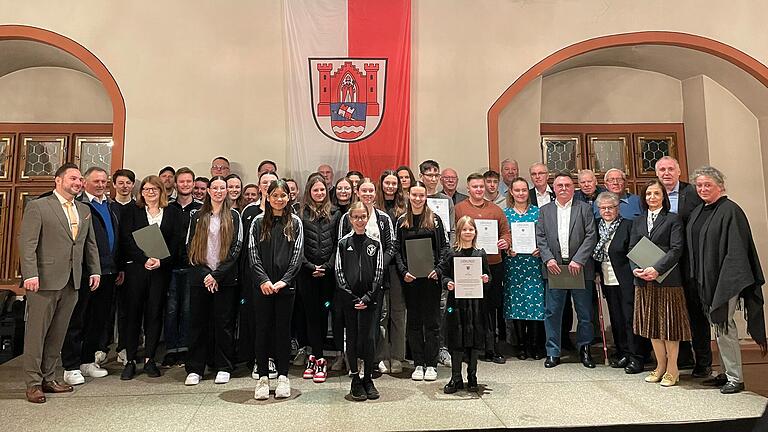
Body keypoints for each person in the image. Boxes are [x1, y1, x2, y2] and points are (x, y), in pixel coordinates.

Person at [19, 163, 100, 403]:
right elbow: (27, 243)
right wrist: (30, 274)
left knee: (58, 333)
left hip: (72, 280)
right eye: (73, 178)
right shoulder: (39, 207)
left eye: (79, 180)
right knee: (37, 333)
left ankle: (50, 377)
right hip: (43, 280)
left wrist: (94, 271)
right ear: (58, 180)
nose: (77, 183)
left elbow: (89, 244)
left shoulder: (84, 209)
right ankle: (33, 382)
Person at [687, 166, 766, 394]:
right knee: (718, 326)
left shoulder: (731, 210)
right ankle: (724, 373)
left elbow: (737, 251)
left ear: (720, 186)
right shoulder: (700, 210)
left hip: (726, 279)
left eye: (707, 185)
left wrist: (725, 280)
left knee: (724, 325)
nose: (702, 188)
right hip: (706, 280)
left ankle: (735, 378)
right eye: (699, 185)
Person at [119, 175, 183, 380]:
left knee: (155, 313)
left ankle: (150, 359)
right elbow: (126, 239)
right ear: (141, 192)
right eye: (146, 189)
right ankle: (130, 360)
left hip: (160, 270)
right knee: (133, 314)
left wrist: (161, 261)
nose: (150, 193)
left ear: (161, 191)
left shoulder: (172, 212)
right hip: (137, 269)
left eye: (154, 189)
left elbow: (177, 240)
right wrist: (143, 259)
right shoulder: (132, 211)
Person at [61, 167, 119, 385]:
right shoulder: (80, 206)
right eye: (96, 181)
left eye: (104, 181)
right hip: (85, 271)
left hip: (108, 271)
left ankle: (87, 360)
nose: (101, 184)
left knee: (99, 319)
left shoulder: (110, 205)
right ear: (85, 183)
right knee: (77, 318)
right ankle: (71, 365)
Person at [629, 179, 691, 387]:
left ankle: (673, 369)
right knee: (653, 327)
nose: (652, 198)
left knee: (669, 327)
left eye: (656, 194)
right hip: (644, 282)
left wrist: (657, 269)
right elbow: (632, 248)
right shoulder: (637, 221)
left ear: (663, 197)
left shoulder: (673, 219)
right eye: (648, 194)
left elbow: (676, 249)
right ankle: (660, 366)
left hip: (667, 281)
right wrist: (635, 269)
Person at [184, 176, 243, 386]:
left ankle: (224, 366)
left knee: (224, 324)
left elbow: (236, 248)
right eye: (215, 188)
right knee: (198, 323)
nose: (219, 191)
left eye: (222, 188)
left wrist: (217, 274)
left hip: (224, 279)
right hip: (201, 279)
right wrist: (205, 274)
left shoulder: (234, 216)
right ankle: (195, 368)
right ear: (208, 191)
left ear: (227, 191)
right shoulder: (196, 216)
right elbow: (190, 248)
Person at [655, 156, 711, 377]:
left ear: (679, 172)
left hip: (690, 264)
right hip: (664, 266)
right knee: (673, 315)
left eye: (670, 169)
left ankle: (703, 362)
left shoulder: (693, 193)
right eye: (662, 170)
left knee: (696, 313)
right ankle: (682, 358)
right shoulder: (653, 194)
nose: (666, 173)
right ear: (657, 174)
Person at [249, 179, 304, 400]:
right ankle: (263, 377)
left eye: (283, 195)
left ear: (289, 197)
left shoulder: (296, 223)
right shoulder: (257, 222)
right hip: (262, 287)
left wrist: (285, 280)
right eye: (275, 196)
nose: (279, 199)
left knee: (283, 331)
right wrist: (263, 280)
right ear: (268, 197)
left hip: (285, 287)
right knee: (262, 330)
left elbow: (297, 255)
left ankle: (283, 376)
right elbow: (252, 254)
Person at [536, 172, 597, 369]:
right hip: (555, 268)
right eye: (560, 185)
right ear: (554, 188)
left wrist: (579, 260)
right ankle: (553, 352)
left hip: (579, 269)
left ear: (573, 188)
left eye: (568, 185)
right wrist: (548, 259)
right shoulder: (544, 211)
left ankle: (585, 349)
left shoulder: (584, 209)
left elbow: (591, 236)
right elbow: (541, 238)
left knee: (585, 313)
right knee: (552, 312)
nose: (563, 188)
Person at [339, 179, 396, 374]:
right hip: (352, 284)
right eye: (364, 190)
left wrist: (378, 265)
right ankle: (355, 363)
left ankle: (375, 358)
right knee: (353, 326)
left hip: (377, 280)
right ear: (358, 192)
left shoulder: (383, 218)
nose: (368, 194)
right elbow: (341, 247)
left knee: (378, 321)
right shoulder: (348, 217)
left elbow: (390, 246)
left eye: (371, 190)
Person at [394, 181, 449, 382]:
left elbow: (444, 249)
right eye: (414, 195)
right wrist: (403, 271)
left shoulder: (435, 220)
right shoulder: (401, 221)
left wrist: (438, 270)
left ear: (426, 197)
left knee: (432, 323)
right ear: (409, 196)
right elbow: (397, 251)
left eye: (421, 195)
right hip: (411, 280)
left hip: (431, 280)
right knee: (415, 323)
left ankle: (432, 364)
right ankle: (418, 363)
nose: (418, 199)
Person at [455, 173, 511, 364]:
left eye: (481, 186)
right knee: (468, 308)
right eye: (475, 186)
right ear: (468, 189)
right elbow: (453, 233)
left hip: (493, 264)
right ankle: (466, 348)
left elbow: (506, 231)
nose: (479, 189)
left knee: (491, 308)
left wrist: (505, 241)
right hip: (466, 264)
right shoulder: (459, 208)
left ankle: (492, 348)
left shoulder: (495, 210)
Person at [336, 201, 384, 401]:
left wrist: (367, 297)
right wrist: (351, 296)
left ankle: (367, 378)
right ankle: (355, 378)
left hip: (370, 300)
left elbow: (379, 272)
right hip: (350, 301)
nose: (359, 220)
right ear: (350, 219)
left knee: (369, 339)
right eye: (355, 217)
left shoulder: (375, 243)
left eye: (363, 216)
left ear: (368, 217)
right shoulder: (343, 243)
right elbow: (339, 273)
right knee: (353, 339)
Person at [437, 216, 490, 394]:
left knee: (473, 341)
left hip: (475, 305)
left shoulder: (480, 254)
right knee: (456, 340)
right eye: (465, 230)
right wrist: (448, 283)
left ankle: (472, 376)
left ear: (475, 232)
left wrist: (485, 279)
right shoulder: (452, 253)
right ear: (459, 232)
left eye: (471, 229)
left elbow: (489, 277)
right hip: (456, 305)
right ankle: (456, 378)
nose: (468, 232)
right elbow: (443, 275)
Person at [592, 191, 644, 374]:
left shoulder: (628, 225)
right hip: (607, 278)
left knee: (630, 318)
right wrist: (596, 272)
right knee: (616, 318)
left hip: (626, 278)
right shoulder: (597, 227)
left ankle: (636, 355)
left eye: (611, 207)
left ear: (618, 208)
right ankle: (622, 352)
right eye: (603, 208)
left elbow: (636, 251)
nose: (607, 211)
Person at [297, 175, 341, 383]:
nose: (319, 194)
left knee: (324, 316)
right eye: (315, 190)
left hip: (327, 275)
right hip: (306, 274)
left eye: (322, 190)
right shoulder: (300, 213)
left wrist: (326, 267)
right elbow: (297, 246)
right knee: (310, 316)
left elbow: (336, 245)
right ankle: (314, 356)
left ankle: (320, 357)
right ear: (309, 192)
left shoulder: (336, 214)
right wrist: (309, 266)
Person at [163, 167, 202, 367]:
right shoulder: (167, 208)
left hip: (192, 266)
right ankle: (171, 349)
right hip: (169, 266)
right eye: (182, 181)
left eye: (189, 181)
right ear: (176, 184)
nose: (185, 184)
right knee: (170, 310)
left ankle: (186, 348)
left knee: (188, 309)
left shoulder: (201, 208)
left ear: (194, 183)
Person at [503, 176, 545, 360]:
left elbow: (545, 236)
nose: (521, 193)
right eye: (517, 190)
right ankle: (520, 346)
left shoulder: (539, 213)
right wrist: (507, 249)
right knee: (517, 304)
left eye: (523, 190)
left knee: (535, 304)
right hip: (514, 265)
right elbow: (502, 238)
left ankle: (534, 345)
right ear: (511, 192)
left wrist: (541, 250)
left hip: (534, 265)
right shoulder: (505, 214)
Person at [419, 160, 455, 366]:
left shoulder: (445, 200)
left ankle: (442, 348)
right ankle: (420, 348)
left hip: (441, 259)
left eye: (436, 175)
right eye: (429, 175)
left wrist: (447, 257)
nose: (433, 179)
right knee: (418, 306)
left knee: (442, 306)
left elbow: (451, 231)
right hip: (419, 258)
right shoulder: (415, 195)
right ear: (422, 176)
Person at [375, 170, 408, 373]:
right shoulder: (374, 207)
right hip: (377, 266)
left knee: (397, 312)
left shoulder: (404, 207)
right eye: (387, 182)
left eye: (394, 183)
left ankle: (397, 357)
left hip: (397, 266)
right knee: (380, 313)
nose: (390, 186)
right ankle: (381, 356)